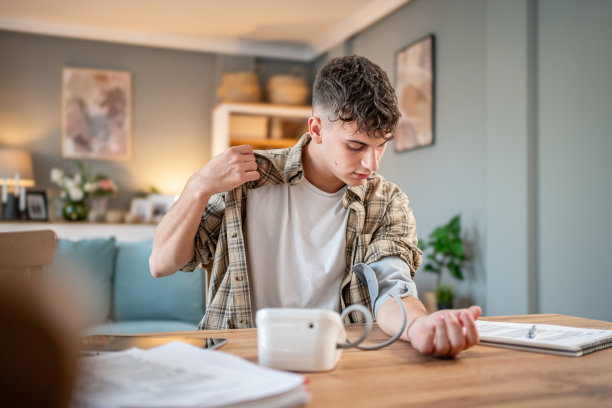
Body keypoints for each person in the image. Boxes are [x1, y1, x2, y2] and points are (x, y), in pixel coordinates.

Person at [150, 55, 481, 357]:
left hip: (335, 359)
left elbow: (391, 285)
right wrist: (197, 187)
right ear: (317, 129)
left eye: (381, 146)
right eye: (356, 145)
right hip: (239, 359)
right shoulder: (245, 178)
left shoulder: (387, 201)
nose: (372, 162)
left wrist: (418, 325)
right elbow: (161, 264)